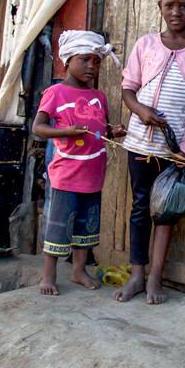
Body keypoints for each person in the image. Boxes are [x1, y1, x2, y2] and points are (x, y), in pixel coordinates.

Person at [113, 0, 185, 304]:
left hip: (173, 150)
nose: (176, 12)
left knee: (166, 211)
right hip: (139, 143)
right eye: (170, 5)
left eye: (184, 6)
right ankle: (137, 275)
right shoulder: (146, 44)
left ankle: (156, 278)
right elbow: (128, 89)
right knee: (140, 206)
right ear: (159, 7)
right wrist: (140, 110)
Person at [32, 30, 126, 296]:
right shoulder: (56, 93)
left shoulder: (99, 97)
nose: (91, 66)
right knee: (59, 224)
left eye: (96, 61)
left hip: (93, 174)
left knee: (87, 225)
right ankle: (49, 275)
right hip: (66, 174)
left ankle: (78, 270)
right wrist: (66, 132)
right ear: (68, 60)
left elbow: (98, 130)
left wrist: (112, 131)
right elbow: (38, 128)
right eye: (84, 60)